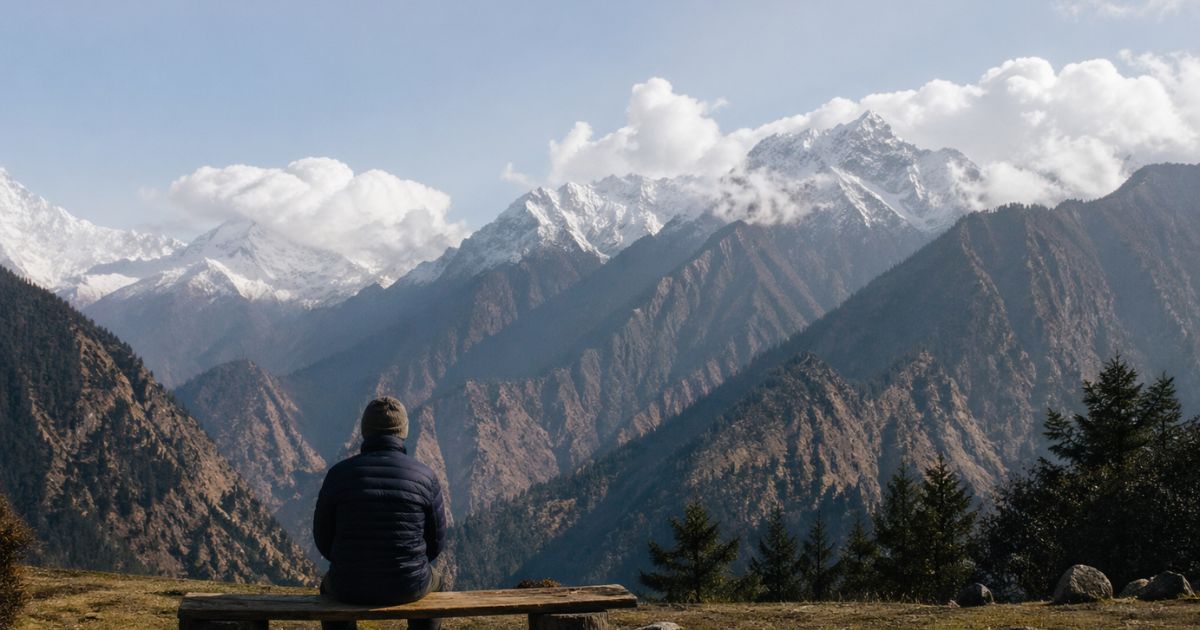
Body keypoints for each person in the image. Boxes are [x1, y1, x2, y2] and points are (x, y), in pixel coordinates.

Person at [314, 396, 446, 630]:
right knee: (437, 583)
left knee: (328, 589)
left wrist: (348, 562)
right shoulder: (425, 477)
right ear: (403, 431)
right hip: (409, 584)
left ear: (365, 431)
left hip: (348, 584)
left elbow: (323, 538)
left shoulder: (338, 475)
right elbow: (435, 543)